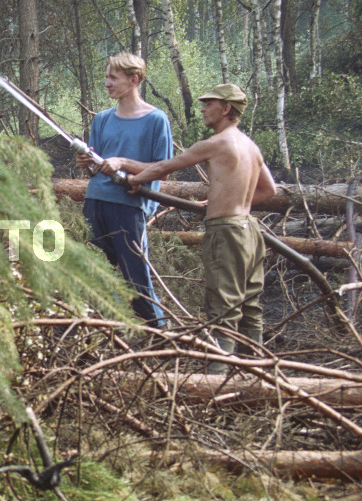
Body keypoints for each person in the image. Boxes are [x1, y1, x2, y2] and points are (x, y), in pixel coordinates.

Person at [99, 84, 277, 366]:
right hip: (250, 230)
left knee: (223, 306)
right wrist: (229, 201)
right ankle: (255, 371)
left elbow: (165, 167)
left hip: (227, 232)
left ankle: (218, 376)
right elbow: (269, 191)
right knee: (250, 305)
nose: (203, 109)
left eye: (209, 104)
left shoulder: (215, 143)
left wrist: (133, 180)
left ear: (226, 109)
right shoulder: (251, 147)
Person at [74, 53, 173, 328]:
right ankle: (109, 334)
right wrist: (87, 163)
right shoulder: (102, 119)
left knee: (136, 280)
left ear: (133, 80)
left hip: (130, 208)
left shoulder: (156, 120)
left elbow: (163, 169)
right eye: (106, 77)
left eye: (113, 78)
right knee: (97, 276)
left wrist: (123, 162)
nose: (107, 83)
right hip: (95, 202)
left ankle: (163, 337)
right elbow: (94, 170)